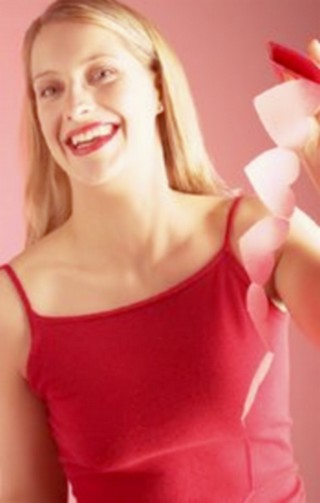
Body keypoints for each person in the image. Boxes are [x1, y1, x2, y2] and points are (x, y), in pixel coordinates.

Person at [0, 0, 319, 502]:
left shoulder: (259, 233)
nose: (74, 106)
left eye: (101, 73)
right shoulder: (13, 307)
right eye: (50, 89)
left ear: (156, 88)